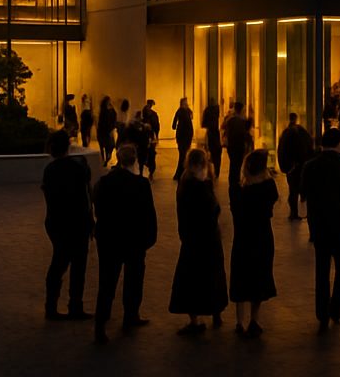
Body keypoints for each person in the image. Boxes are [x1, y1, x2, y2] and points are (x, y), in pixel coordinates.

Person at [91, 142, 157, 343]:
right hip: (134, 239)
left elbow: (98, 208)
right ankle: (131, 315)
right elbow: (149, 214)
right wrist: (149, 238)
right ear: (135, 160)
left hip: (109, 239)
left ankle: (101, 323)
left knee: (107, 282)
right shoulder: (141, 184)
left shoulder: (105, 182)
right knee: (134, 280)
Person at [300, 127, 340, 328]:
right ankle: (336, 307)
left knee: (322, 267)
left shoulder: (311, 165)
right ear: (339, 143)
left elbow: (305, 193)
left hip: (319, 224)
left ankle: (321, 310)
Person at [169, 146, 229, 335]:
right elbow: (215, 210)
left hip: (192, 238)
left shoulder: (186, 184)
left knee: (191, 278)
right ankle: (216, 312)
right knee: (213, 274)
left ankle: (195, 319)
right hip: (210, 237)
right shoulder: (206, 184)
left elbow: (182, 212)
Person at [42, 128, 94, 322]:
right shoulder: (78, 166)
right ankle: (75, 306)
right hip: (78, 222)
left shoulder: (50, 170)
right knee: (79, 266)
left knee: (58, 263)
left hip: (57, 222)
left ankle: (51, 306)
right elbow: (86, 195)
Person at [229, 148, 278, 338]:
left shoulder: (237, 191)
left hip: (242, 237)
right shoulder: (268, 189)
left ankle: (239, 321)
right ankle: (254, 319)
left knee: (241, 277)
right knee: (260, 276)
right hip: (263, 236)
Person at [276, 112, 315, 220]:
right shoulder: (300, 131)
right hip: (299, 164)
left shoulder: (286, 133)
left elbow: (281, 150)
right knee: (298, 187)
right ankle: (297, 210)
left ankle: (294, 212)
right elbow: (309, 142)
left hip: (292, 166)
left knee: (293, 189)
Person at [223, 102, 253, 197]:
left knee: (234, 164)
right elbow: (245, 129)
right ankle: (234, 181)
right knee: (237, 164)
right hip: (237, 146)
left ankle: (233, 181)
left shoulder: (231, 120)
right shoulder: (237, 121)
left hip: (232, 146)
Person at [172, 98, 194, 182]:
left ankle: (179, 173)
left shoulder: (180, 111)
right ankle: (181, 173)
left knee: (182, 154)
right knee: (183, 154)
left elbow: (174, 124)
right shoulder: (185, 112)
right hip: (185, 135)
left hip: (181, 134)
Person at [201, 98, 222, 181]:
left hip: (210, 133)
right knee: (217, 154)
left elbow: (204, 122)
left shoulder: (207, 110)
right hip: (215, 133)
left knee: (210, 152)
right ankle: (216, 171)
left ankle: (210, 171)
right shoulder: (216, 109)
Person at [96, 97, 117, 165]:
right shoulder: (109, 111)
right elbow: (114, 117)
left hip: (102, 131)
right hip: (107, 131)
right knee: (109, 146)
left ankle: (104, 159)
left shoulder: (102, 111)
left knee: (102, 146)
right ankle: (107, 158)